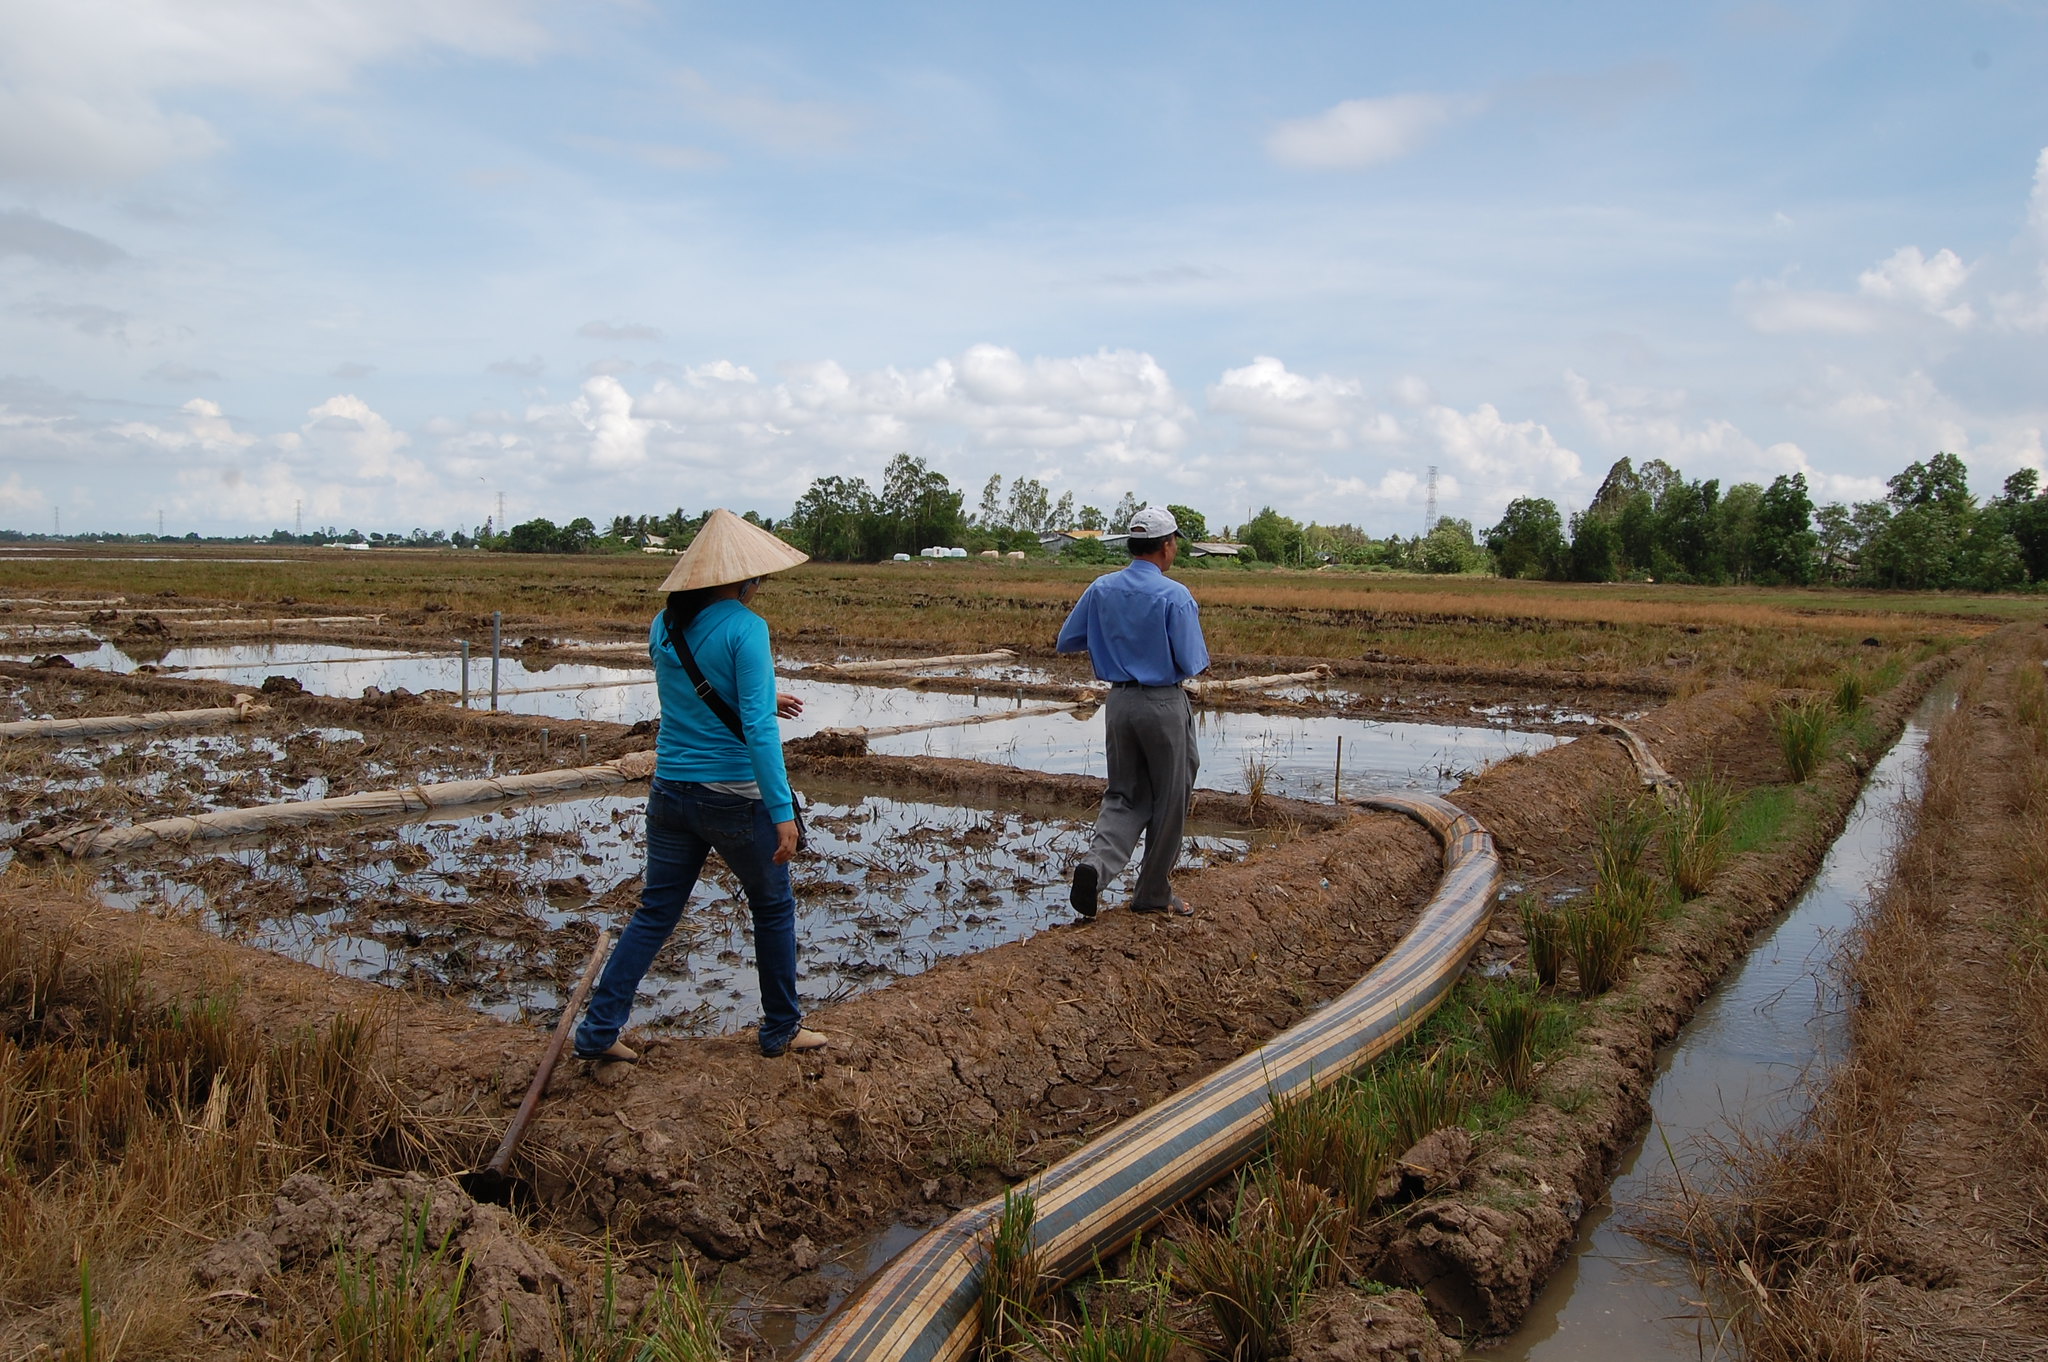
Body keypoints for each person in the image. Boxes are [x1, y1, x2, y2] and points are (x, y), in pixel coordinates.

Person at [575, 509, 828, 1061]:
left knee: (655, 912)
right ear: (742, 579)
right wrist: (782, 810)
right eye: (757, 580)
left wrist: (763, 698)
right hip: (734, 797)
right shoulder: (746, 627)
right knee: (773, 908)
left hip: (670, 792)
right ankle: (781, 1028)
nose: (759, 588)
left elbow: (692, 698)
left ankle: (597, 1033)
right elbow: (758, 730)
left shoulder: (663, 624)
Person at [1055, 505, 1210, 919]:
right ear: (1165, 546)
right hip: (1161, 703)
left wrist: (1114, 640)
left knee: (1125, 795)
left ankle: (1096, 867)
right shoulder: (1174, 595)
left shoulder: (1102, 588)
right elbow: (1192, 661)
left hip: (1119, 703)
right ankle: (1152, 892)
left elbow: (1067, 640)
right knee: (1170, 797)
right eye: (1174, 542)